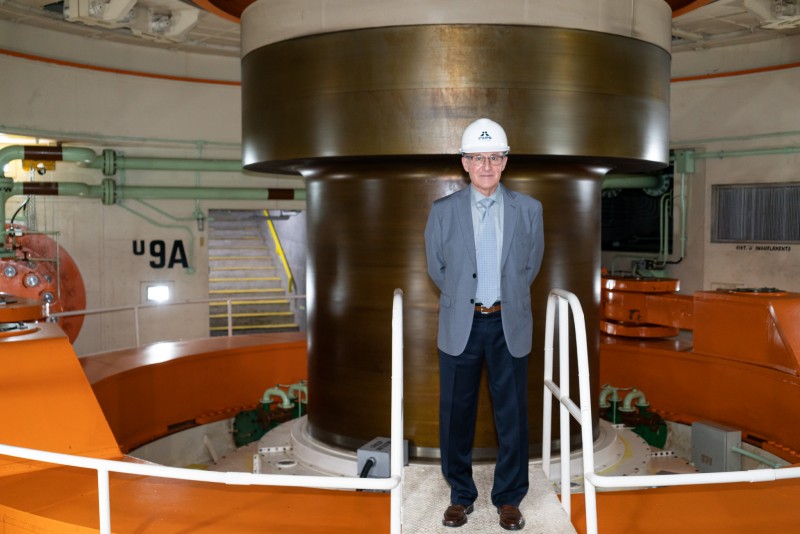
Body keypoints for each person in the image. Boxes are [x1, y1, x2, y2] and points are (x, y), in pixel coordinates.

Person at [424, 118, 545, 531]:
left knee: (512, 415)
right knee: (455, 414)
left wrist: (501, 299)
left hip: (508, 323)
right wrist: (468, 301)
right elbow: (437, 267)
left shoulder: (529, 210)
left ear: (505, 162)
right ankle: (461, 495)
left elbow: (530, 266)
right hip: (462, 325)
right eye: (478, 157)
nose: (487, 165)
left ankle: (509, 499)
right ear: (465, 163)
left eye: (494, 157)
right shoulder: (442, 212)